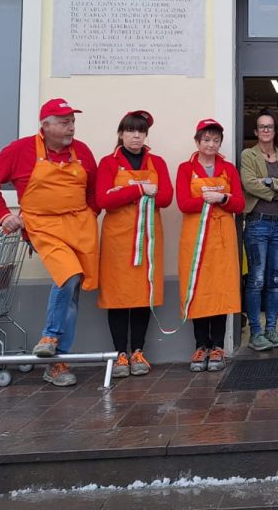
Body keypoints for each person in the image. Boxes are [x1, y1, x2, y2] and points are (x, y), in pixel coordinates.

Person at [0, 98, 98, 388]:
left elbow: (92, 191)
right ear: (45, 126)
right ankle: (51, 336)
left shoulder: (82, 151)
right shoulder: (20, 150)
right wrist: (4, 215)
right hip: (43, 227)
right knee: (67, 276)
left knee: (72, 287)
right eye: (64, 121)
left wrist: (91, 213)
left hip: (79, 227)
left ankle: (57, 361)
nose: (71, 127)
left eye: (72, 121)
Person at [95, 111, 173, 379]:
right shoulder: (107, 163)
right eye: (130, 131)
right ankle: (120, 354)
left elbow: (166, 198)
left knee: (143, 296)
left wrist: (123, 192)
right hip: (118, 241)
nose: (136, 136)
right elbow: (104, 200)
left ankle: (138, 351)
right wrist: (139, 190)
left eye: (141, 131)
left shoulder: (158, 162)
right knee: (118, 298)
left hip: (149, 239)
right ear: (121, 133)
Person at [176, 119, 246, 372]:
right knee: (198, 288)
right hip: (195, 239)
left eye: (215, 140)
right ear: (197, 141)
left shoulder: (228, 169)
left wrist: (223, 197)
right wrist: (208, 199)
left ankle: (218, 346)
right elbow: (183, 203)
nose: (211, 144)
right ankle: (200, 345)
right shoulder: (186, 169)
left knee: (221, 290)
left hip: (223, 238)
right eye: (206, 139)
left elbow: (239, 204)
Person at [239, 110, 278, 352]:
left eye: (270, 127)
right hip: (257, 223)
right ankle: (256, 333)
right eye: (261, 127)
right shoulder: (248, 155)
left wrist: (269, 182)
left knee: (276, 280)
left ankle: (271, 330)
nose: (265, 130)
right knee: (256, 279)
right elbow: (249, 184)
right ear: (256, 131)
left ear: (275, 131)